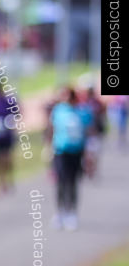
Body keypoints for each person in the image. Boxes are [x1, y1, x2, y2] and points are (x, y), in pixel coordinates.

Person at [44, 86, 93, 230]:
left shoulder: (82, 112)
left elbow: (87, 133)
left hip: (76, 152)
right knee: (60, 183)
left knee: (72, 183)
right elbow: (51, 130)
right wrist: (48, 147)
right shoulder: (58, 111)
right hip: (60, 151)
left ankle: (71, 213)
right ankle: (59, 213)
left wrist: (89, 155)